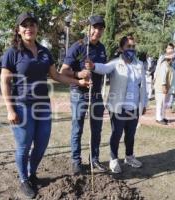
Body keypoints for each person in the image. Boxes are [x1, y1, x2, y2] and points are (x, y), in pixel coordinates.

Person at [0, 12, 89, 198]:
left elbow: (56, 76)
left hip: (43, 106)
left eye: (32, 24)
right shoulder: (12, 53)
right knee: (24, 145)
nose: (29, 28)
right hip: (21, 106)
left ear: (37, 28)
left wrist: (78, 82)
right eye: (24, 25)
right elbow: (4, 82)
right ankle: (24, 180)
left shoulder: (44, 51)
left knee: (41, 144)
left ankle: (32, 174)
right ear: (18, 29)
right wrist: (9, 109)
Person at [85, 35, 147, 173]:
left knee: (130, 134)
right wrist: (93, 66)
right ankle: (113, 159)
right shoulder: (115, 63)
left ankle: (129, 157)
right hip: (118, 107)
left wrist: (144, 103)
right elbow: (103, 68)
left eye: (133, 46)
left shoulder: (139, 65)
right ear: (121, 48)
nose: (131, 49)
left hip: (133, 107)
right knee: (116, 133)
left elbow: (143, 86)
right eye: (128, 46)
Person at [60, 15, 107, 175]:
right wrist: (79, 74)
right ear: (88, 28)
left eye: (100, 28)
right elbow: (63, 71)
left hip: (96, 94)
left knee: (97, 129)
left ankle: (94, 159)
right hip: (79, 93)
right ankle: (76, 161)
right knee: (77, 128)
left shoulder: (102, 48)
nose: (97, 31)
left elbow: (103, 69)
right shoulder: (78, 46)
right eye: (94, 27)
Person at [154, 49, 175, 125]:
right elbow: (163, 77)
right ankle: (158, 118)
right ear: (170, 58)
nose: (174, 59)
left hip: (166, 88)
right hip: (161, 88)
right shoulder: (164, 65)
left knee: (164, 104)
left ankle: (162, 117)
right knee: (160, 103)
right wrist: (164, 86)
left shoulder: (169, 65)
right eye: (174, 58)